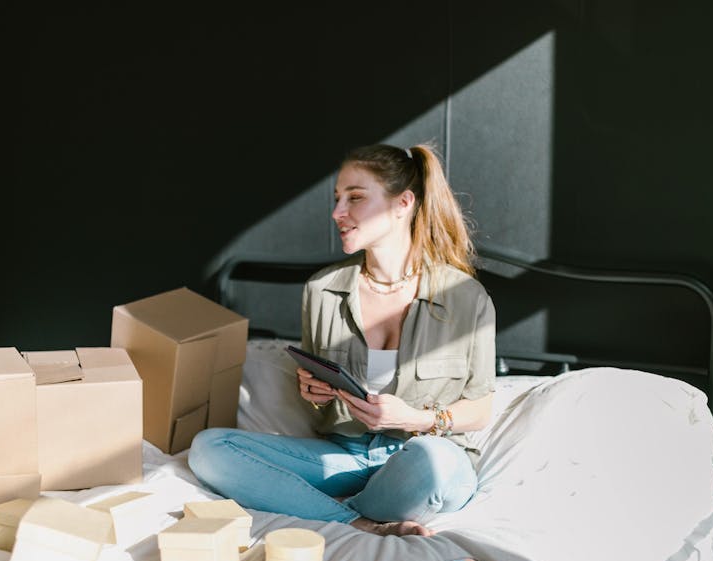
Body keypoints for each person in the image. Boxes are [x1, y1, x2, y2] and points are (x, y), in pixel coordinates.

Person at [188, 142, 496, 537]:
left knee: (431, 462)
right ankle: (358, 522)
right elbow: (323, 406)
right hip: (346, 456)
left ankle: (318, 507)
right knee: (209, 449)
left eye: (355, 197)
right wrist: (313, 391)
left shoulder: (465, 297)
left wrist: (414, 419)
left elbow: (482, 407)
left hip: (423, 456)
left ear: (402, 203)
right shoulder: (322, 289)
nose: (337, 213)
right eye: (336, 199)